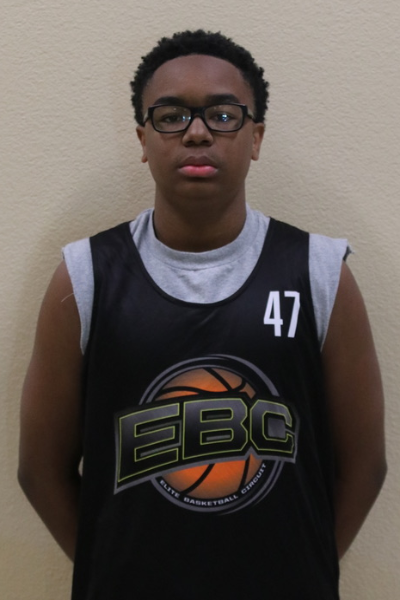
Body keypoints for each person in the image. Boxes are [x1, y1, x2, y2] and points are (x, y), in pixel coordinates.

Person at [18, 30, 386, 600]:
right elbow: (39, 470)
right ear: (143, 138)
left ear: (255, 137)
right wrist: (108, 570)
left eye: (223, 115)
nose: (196, 132)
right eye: (171, 116)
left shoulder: (320, 270)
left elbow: (365, 465)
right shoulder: (84, 275)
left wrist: (307, 571)